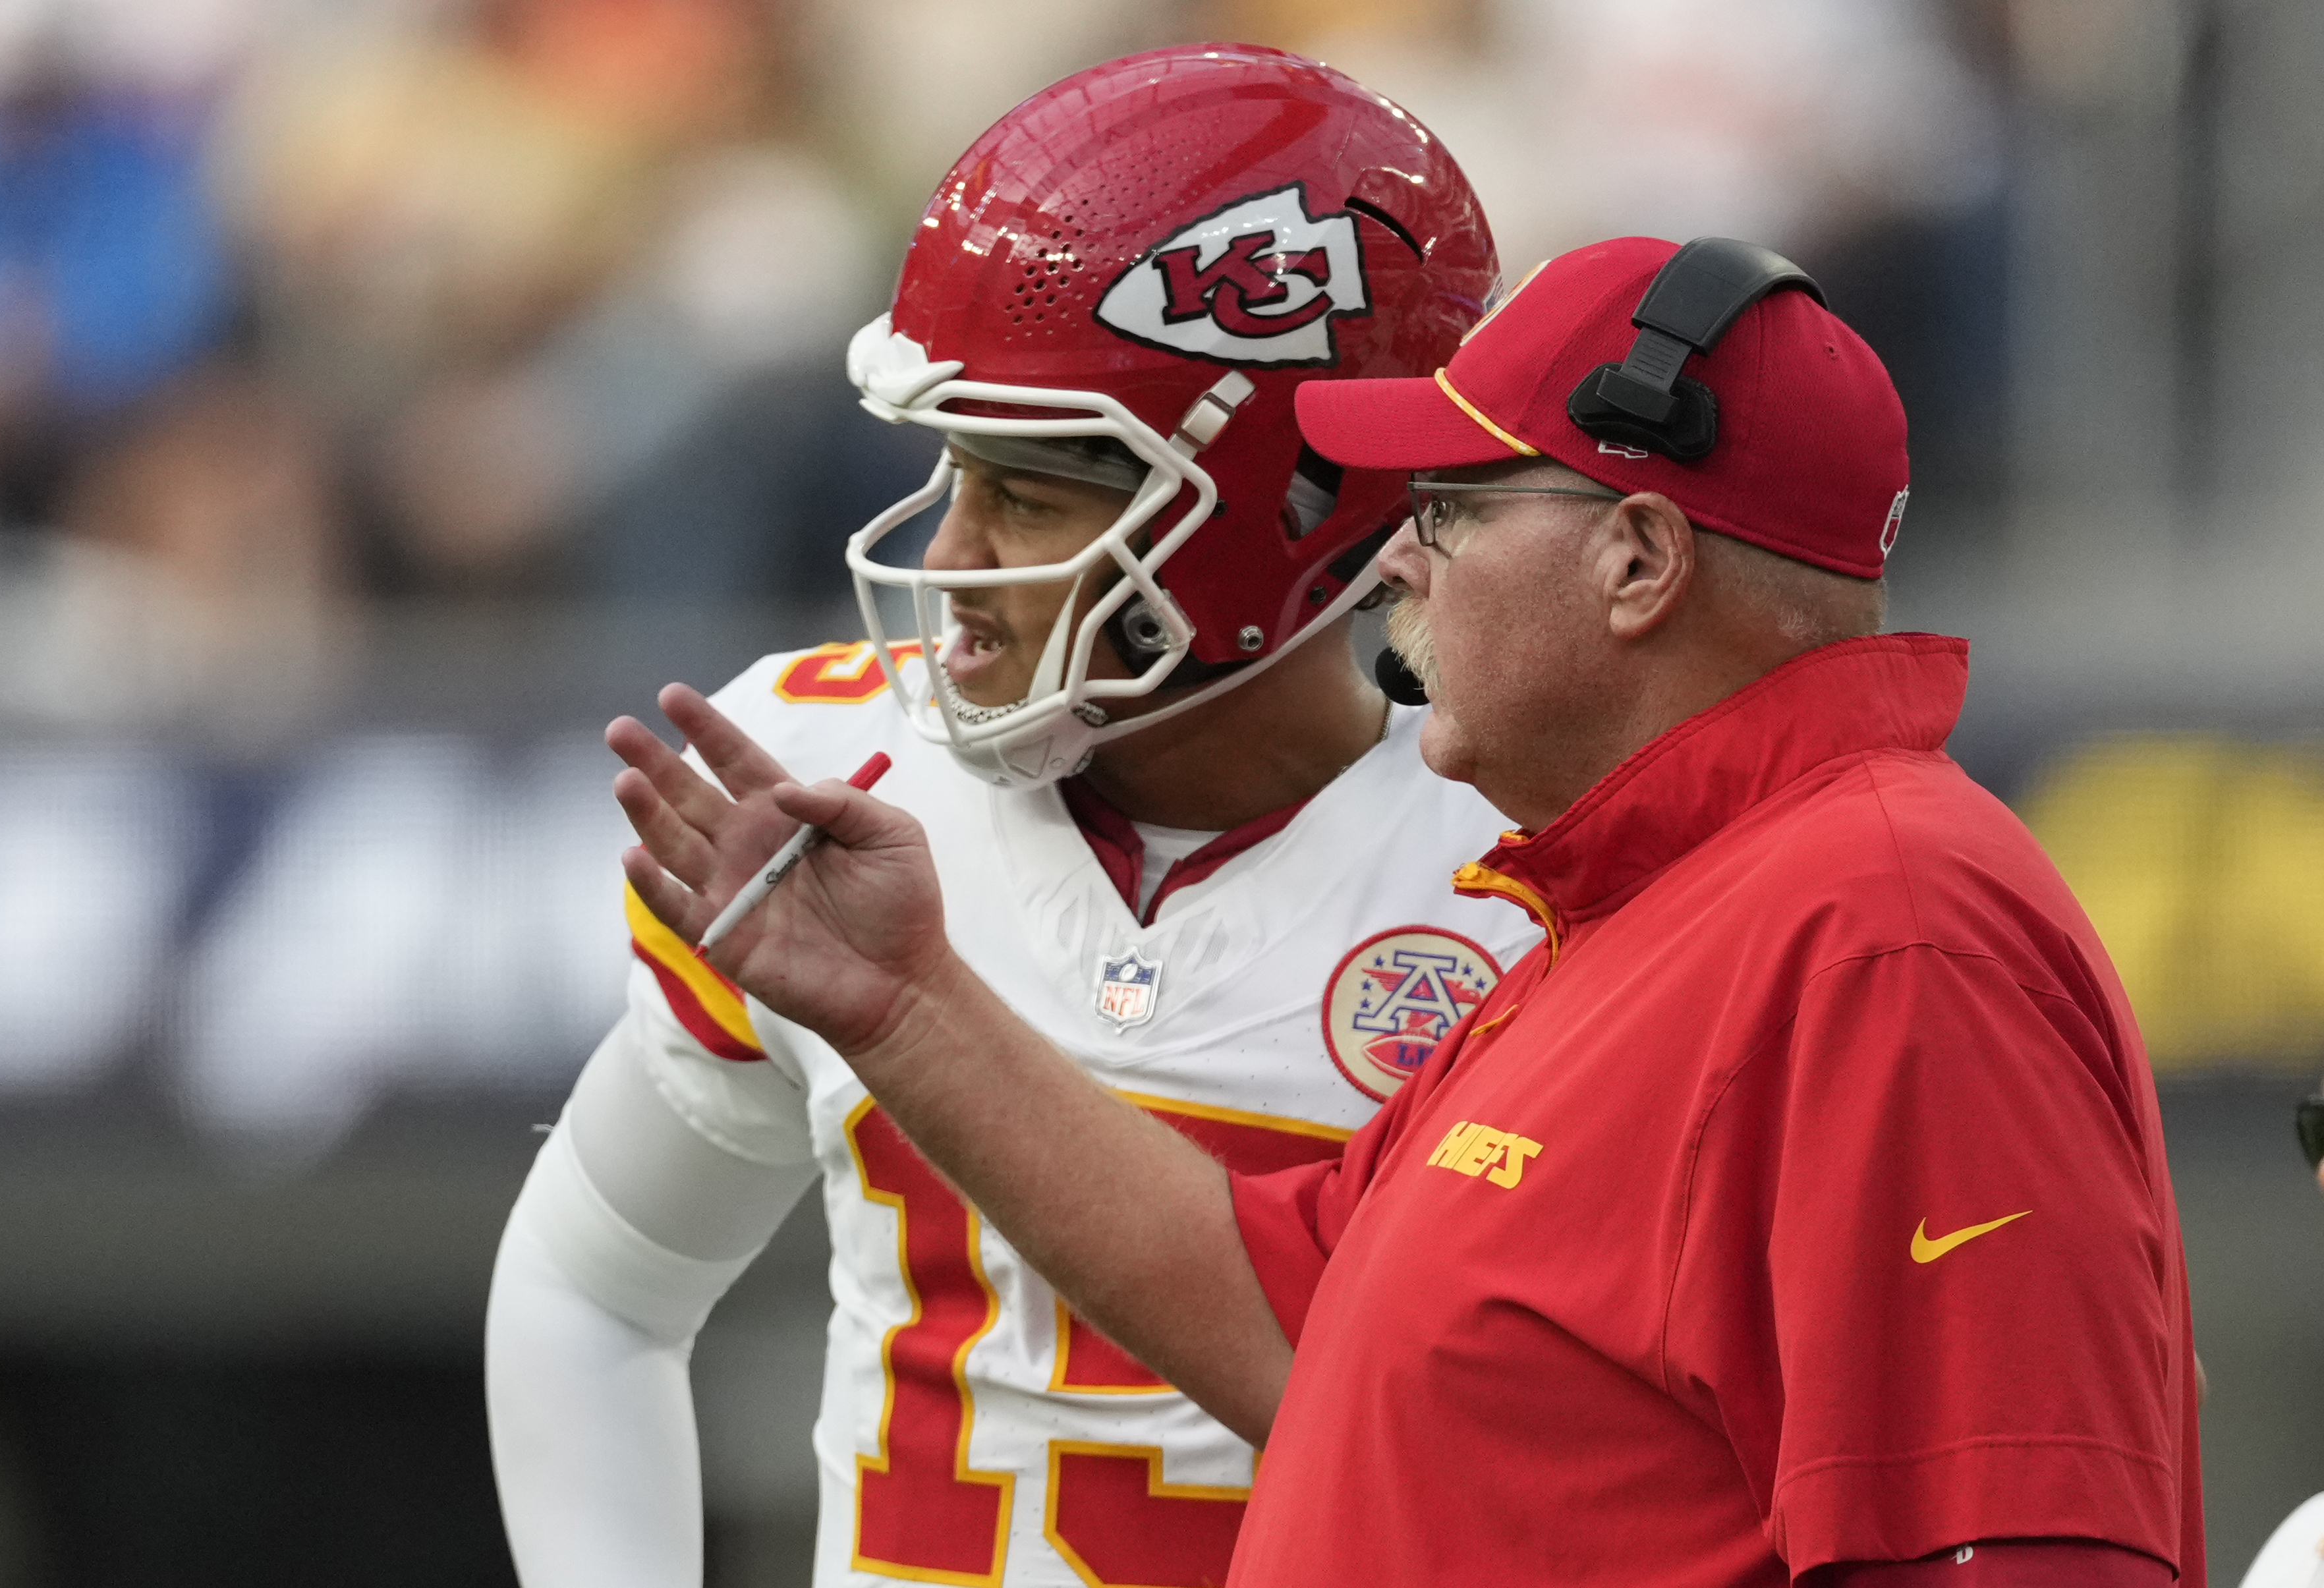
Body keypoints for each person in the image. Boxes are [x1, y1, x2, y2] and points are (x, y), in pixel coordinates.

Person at [609, 237, 2207, 1585]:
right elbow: (1289, 1318)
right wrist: (906, 1004)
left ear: (1636, 558)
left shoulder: (1883, 930)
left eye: (1441, 508)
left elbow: (2014, 1547)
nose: (1392, 567)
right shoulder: (1649, 901)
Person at [484, 44, 1533, 1588]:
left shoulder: (1528, 886)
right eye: (953, 466)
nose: (956, 560)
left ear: (1300, 505)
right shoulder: (833, 763)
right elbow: (595, 1288)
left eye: (1033, 493)